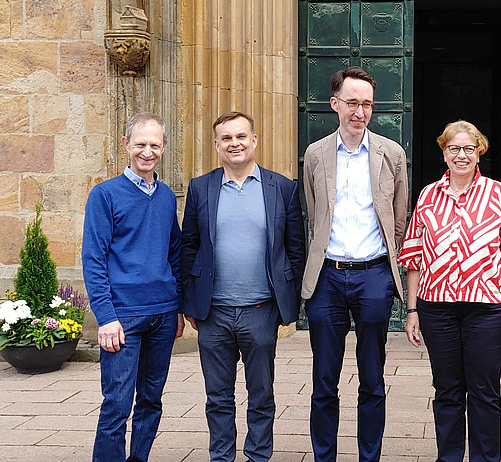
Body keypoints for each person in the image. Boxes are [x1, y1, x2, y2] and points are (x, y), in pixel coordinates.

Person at [399, 120, 501, 462]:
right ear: (444, 153)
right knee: (446, 390)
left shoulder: (496, 193)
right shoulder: (429, 196)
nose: (461, 155)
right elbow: (414, 256)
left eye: (468, 149)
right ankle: (448, 457)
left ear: (479, 153)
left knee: (484, 391)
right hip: (437, 309)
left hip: (489, 310)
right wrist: (412, 310)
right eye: (454, 149)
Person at [181, 111, 305, 461]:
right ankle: (221, 457)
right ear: (217, 145)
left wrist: (288, 306)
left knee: (261, 394)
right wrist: (189, 303)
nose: (234, 143)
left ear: (254, 140)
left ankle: (258, 456)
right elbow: (189, 247)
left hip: (261, 311)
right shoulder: (200, 187)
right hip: (214, 313)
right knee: (217, 397)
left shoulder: (282, 187)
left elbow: (295, 249)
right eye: (226, 138)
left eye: (241, 136)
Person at [302, 66, 408, 462]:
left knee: (372, 380)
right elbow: (313, 212)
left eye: (366, 103)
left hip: (373, 276)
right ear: (335, 104)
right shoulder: (315, 154)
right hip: (328, 277)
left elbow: (399, 218)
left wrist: (384, 267)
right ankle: (324, 457)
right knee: (324, 381)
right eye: (351, 102)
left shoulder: (391, 154)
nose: (359, 111)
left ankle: (370, 457)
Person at [82, 112, 184, 461]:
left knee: (151, 401)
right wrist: (106, 317)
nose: (147, 151)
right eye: (140, 144)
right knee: (116, 406)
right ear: (126, 145)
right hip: (122, 319)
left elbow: (175, 253)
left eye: (155, 145)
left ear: (164, 147)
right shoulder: (105, 195)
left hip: (163, 315)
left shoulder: (168, 196)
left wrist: (178, 307)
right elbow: (93, 260)